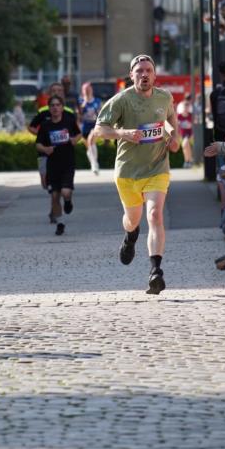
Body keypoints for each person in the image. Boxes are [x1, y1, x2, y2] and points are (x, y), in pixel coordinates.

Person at [94, 54, 180, 295]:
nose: (144, 74)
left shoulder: (165, 97)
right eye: (139, 71)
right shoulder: (121, 100)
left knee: (154, 215)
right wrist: (123, 134)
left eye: (148, 70)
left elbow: (170, 118)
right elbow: (100, 130)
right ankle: (130, 236)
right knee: (133, 219)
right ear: (131, 75)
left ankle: (156, 271)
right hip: (128, 171)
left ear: (154, 75)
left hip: (157, 167)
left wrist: (175, 136)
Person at [35, 95, 81, 235]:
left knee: (66, 192)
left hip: (67, 163)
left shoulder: (69, 121)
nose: (55, 108)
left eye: (58, 105)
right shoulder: (45, 125)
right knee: (54, 196)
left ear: (62, 107)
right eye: (52, 105)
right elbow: (38, 144)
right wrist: (45, 149)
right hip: (52, 165)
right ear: (49, 108)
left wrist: (74, 140)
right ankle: (60, 222)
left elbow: (79, 134)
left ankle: (68, 201)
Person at [79, 82, 102, 174]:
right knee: (89, 147)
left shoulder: (97, 101)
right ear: (83, 91)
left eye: (89, 89)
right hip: (85, 127)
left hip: (94, 125)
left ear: (91, 90)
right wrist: (85, 101)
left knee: (91, 140)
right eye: (85, 89)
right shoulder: (80, 101)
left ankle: (94, 165)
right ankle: (94, 162)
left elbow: (100, 113)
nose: (87, 91)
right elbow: (79, 114)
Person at [175, 94, 194, 168]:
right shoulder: (179, 116)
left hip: (189, 133)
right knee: (185, 146)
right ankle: (188, 160)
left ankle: (188, 161)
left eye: (187, 107)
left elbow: (193, 125)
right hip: (182, 133)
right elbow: (176, 125)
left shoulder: (190, 115)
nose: (185, 109)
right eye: (184, 107)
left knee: (185, 144)